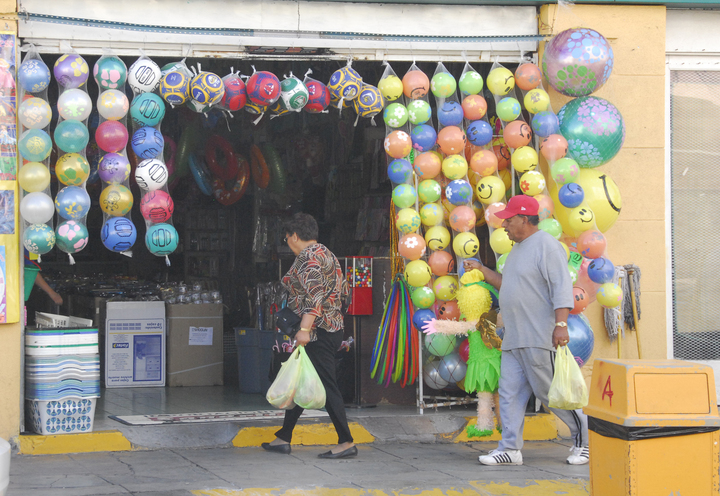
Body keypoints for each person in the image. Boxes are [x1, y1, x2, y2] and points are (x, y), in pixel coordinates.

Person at [465, 195, 589, 466]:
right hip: (513, 337)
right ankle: (510, 448)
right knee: (508, 393)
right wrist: (483, 269)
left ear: (524, 219)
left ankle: (584, 442)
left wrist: (561, 325)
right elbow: (506, 284)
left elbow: (561, 288)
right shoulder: (517, 250)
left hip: (538, 336)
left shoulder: (547, 246)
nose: (505, 225)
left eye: (509, 220)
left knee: (550, 393)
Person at [262, 213, 356, 459]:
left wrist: (304, 330)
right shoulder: (326, 253)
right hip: (330, 328)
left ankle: (346, 442)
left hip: (318, 332)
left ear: (294, 236)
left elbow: (314, 298)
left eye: (287, 238)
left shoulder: (308, 259)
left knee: (327, 385)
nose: (287, 243)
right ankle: (283, 437)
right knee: (301, 380)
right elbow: (343, 290)